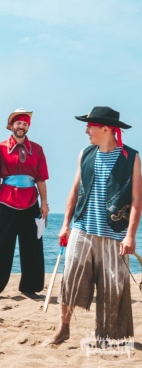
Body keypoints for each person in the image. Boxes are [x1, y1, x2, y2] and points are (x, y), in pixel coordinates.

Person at [47, 106, 141, 347]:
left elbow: (136, 200)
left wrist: (131, 236)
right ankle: (63, 328)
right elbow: (74, 190)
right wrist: (65, 225)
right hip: (82, 229)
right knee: (70, 280)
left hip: (114, 234)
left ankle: (107, 336)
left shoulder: (131, 157)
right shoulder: (85, 153)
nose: (86, 131)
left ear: (106, 128)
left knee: (112, 287)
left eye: (90, 126)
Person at [0, 108, 49, 302]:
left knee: (32, 246)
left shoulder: (37, 149)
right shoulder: (0, 148)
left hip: (31, 201)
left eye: (25, 123)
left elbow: (41, 179)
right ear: (11, 126)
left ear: (28, 127)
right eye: (18, 123)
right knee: (0, 246)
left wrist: (44, 203)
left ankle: (30, 288)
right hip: (6, 201)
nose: (21, 126)